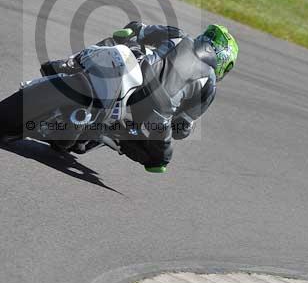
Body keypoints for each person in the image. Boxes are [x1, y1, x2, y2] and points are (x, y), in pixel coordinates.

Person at [40, 21, 239, 172]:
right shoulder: (210, 85)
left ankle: (69, 64)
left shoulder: (179, 35)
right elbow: (181, 128)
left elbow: (136, 29)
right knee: (161, 161)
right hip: (153, 115)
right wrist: (180, 123)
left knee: (118, 44)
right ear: (225, 63)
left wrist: (129, 37)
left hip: (136, 79)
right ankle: (111, 135)